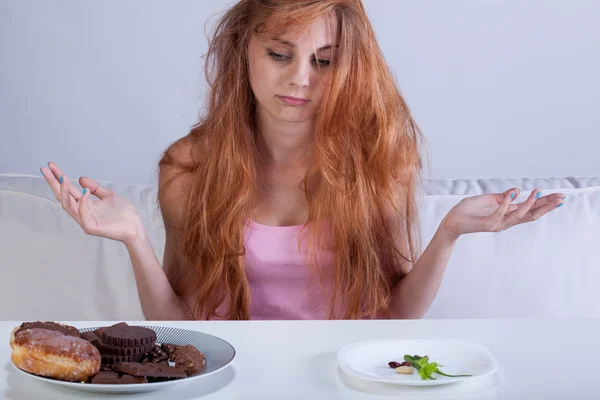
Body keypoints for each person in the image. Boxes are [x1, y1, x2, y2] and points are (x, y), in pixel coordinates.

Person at [40, 0, 565, 321]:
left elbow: (397, 313)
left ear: (350, 67)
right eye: (279, 54)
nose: (300, 80)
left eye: (324, 61)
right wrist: (134, 239)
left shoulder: (386, 163)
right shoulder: (190, 165)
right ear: (244, 48)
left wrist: (448, 231)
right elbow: (180, 323)